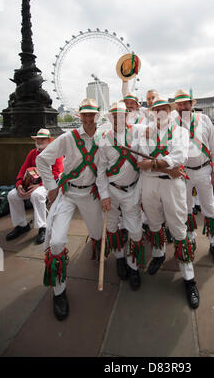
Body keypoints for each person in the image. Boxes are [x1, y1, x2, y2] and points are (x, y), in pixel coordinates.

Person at [36, 98, 104, 321]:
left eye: (92, 114)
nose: (88, 118)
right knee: (56, 242)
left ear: (97, 115)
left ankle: (103, 252)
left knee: (98, 234)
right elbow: (42, 159)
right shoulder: (68, 138)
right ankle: (59, 291)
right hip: (67, 193)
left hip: (91, 193)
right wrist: (52, 187)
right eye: (84, 114)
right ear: (80, 116)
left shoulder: (105, 137)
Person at [137, 96, 200, 309]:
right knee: (154, 223)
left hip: (172, 186)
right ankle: (158, 254)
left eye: (164, 108)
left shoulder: (180, 132)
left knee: (178, 227)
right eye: (157, 109)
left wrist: (153, 163)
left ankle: (189, 278)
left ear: (169, 111)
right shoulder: (144, 132)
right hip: (150, 185)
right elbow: (140, 163)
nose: (161, 112)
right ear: (152, 113)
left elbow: (179, 157)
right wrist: (164, 166)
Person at [173, 89, 214, 271]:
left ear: (191, 104)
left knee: (209, 207)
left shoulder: (204, 120)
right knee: (186, 208)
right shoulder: (173, 123)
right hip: (184, 173)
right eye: (179, 104)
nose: (182, 107)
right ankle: (191, 240)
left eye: (185, 103)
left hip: (204, 170)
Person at [96, 101, 145, 290]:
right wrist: (104, 195)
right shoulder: (104, 139)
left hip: (133, 190)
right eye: (115, 116)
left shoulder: (138, 135)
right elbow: (100, 170)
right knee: (111, 227)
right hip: (112, 191)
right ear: (111, 118)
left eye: (123, 115)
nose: (119, 118)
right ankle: (119, 258)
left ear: (128, 116)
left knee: (135, 230)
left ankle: (133, 266)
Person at [6, 129, 63, 245]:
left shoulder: (56, 153)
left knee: (37, 195)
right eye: (38, 138)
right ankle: (21, 225)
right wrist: (19, 185)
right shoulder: (32, 153)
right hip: (31, 183)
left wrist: (39, 185)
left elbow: (57, 174)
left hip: (48, 184)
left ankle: (43, 227)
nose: (40, 140)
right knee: (12, 195)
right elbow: (23, 169)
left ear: (49, 140)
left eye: (43, 138)